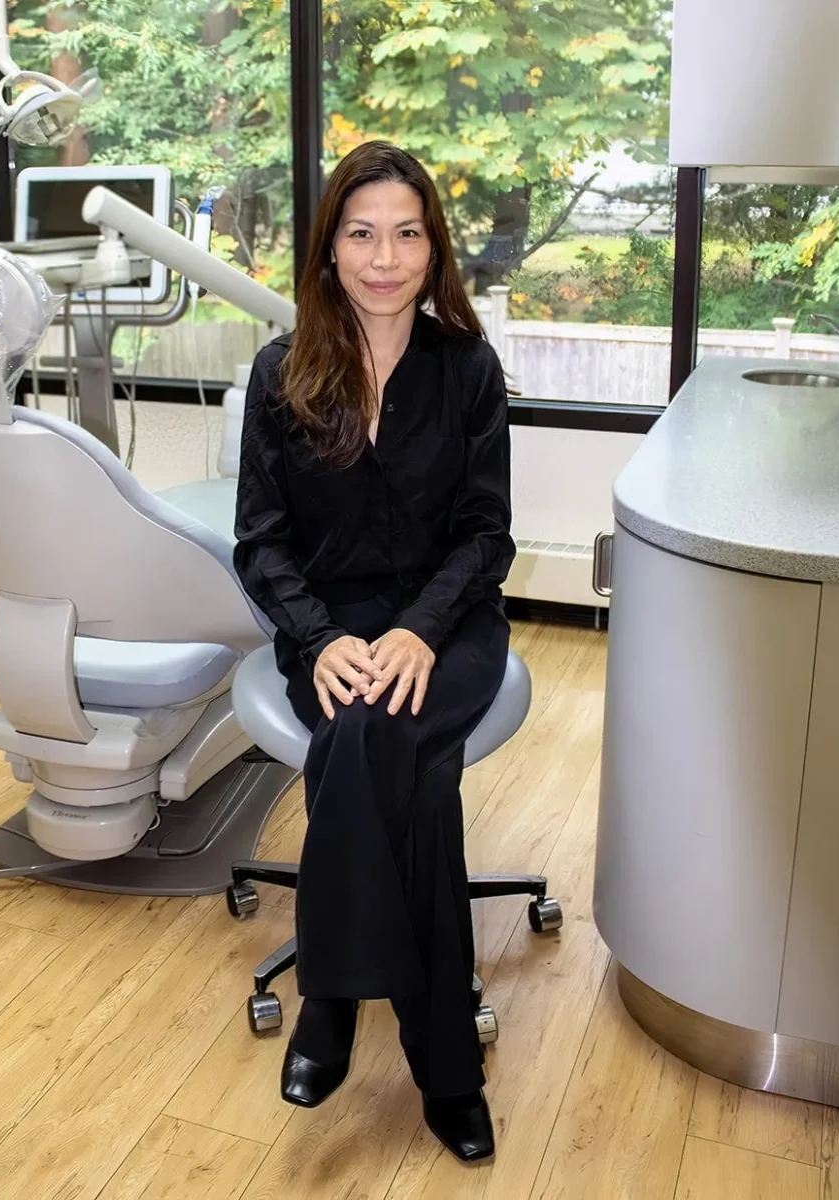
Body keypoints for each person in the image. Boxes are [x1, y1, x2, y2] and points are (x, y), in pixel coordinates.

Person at [233, 140, 515, 1164]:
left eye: (406, 232)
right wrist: (317, 640)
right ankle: (448, 1066)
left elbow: (487, 538)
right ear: (329, 248)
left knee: (370, 740)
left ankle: (330, 1003)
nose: (384, 256)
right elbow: (260, 541)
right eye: (362, 233)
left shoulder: (466, 369)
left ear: (433, 247)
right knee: (400, 766)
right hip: (327, 629)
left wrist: (417, 631)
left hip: (448, 625)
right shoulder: (283, 371)